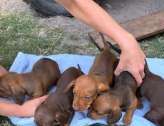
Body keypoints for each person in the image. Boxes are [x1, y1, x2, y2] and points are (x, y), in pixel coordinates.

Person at [0, 0, 145, 117]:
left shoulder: (104, 87)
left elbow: (74, 3)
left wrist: (127, 40)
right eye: (75, 94)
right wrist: (17, 110)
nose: (75, 105)